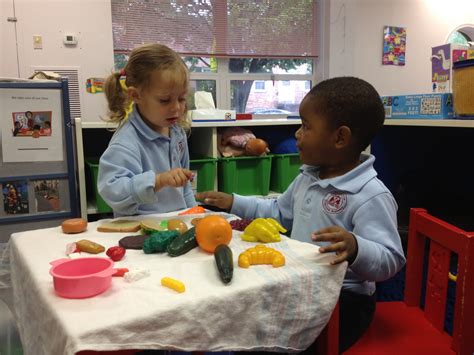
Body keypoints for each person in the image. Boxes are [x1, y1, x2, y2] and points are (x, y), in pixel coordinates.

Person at [196, 77, 406, 352]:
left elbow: (391, 259)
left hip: (345, 301)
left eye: (306, 127)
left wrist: (356, 247)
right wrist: (234, 202)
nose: (297, 134)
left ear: (340, 138)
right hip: (304, 285)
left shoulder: (369, 194)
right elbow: (278, 214)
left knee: (284, 341)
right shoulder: (308, 177)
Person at [98, 43, 196, 217]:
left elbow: (185, 188)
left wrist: (194, 214)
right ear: (136, 96)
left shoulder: (177, 132)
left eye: (181, 98)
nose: (176, 108)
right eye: (165, 100)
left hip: (175, 224)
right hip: (140, 229)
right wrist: (157, 180)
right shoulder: (127, 141)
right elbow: (111, 191)